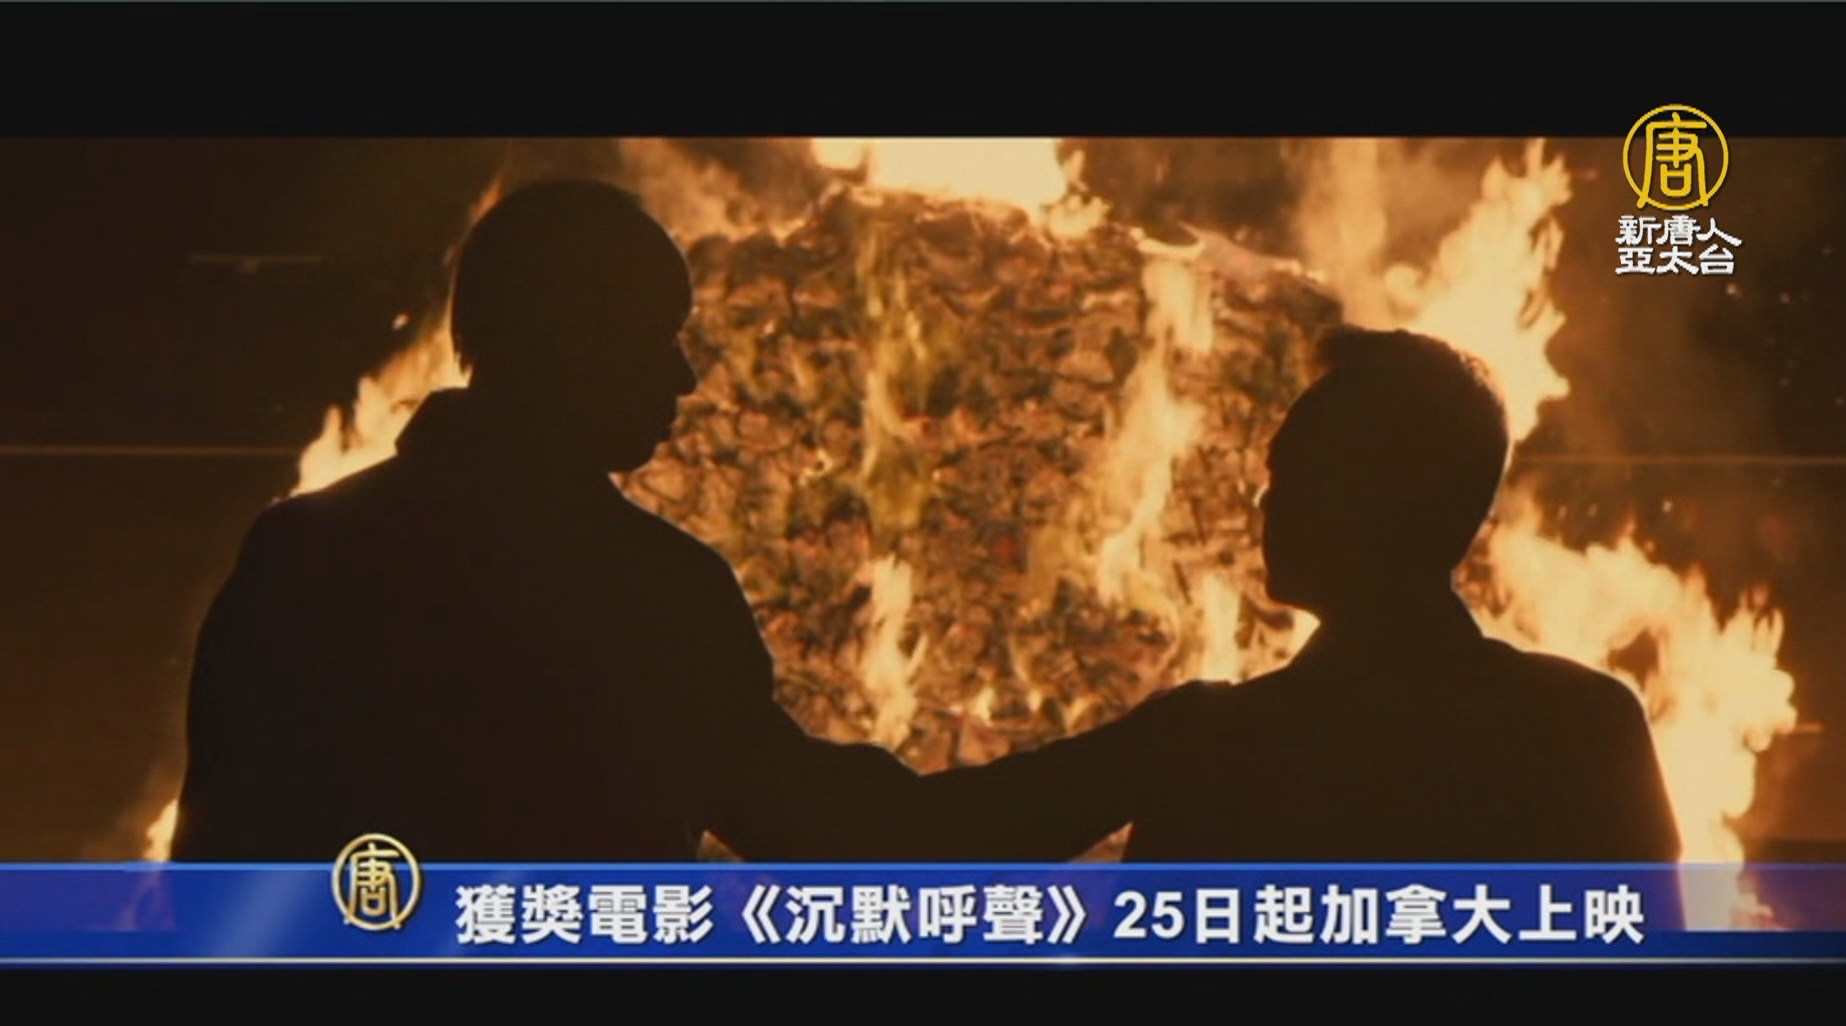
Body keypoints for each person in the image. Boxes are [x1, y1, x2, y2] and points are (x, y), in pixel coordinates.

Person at [171, 179, 1171, 863]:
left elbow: (218, 870)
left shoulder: (299, 553)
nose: (685, 377)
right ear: (566, 342)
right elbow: (853, 837)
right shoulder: (646, 596)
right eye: (652, 340)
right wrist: (1139, 759)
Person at [1120, 328, 1682, 863]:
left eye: (1294, 473)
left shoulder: (1223, 752)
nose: (1267, 501)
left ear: (1377, 501)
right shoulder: (1587, 727)